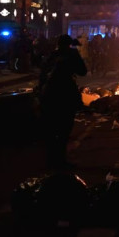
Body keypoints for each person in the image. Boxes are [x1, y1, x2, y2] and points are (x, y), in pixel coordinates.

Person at [38, 34, 88, 169]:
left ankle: (51, 160)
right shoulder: (71, 54)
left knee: (51, 130)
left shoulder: (52, 56)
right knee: (63, 130)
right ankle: (60, 161)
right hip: (65, 95)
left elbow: (42, 75)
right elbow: (82, 71)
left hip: (49, 96)